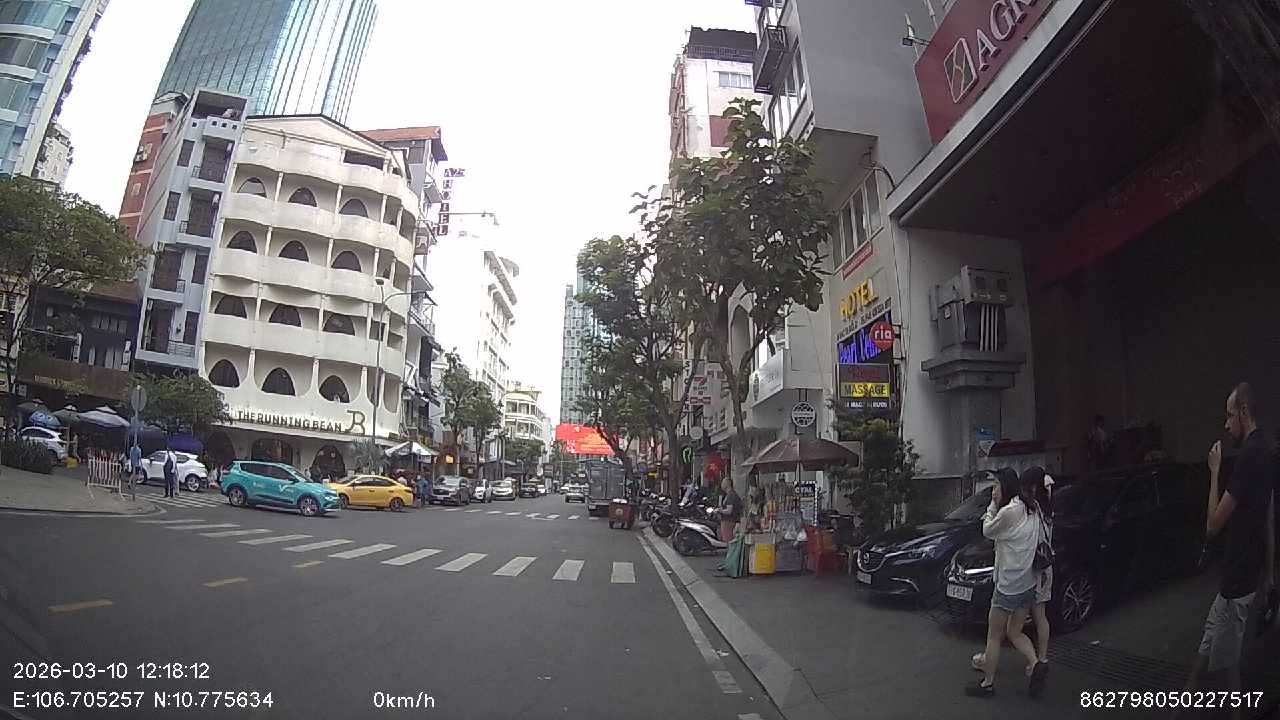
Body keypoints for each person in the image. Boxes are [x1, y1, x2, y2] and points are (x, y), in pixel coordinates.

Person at [1179, 383, 1275, 720]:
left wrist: (1215, 471)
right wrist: (1269, 573)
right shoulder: (1267, 451)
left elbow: (1212, 526)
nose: (1226, 424)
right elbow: (1268, 515)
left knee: (1227, 668)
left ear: (1244, 413)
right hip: (1242, 576)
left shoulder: (1248, 457)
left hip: (1237, 580)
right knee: (1208, 653)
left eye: (1230, 415)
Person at [966, 467, 1044, 698]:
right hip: (1027, 583)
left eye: (996, 486)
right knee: (1015, 631)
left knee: (994, 636)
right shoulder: (1031, 506)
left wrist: (992, 506)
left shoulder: (1009, 511)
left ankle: (987, 683)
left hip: (1008, 584)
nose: (993, 491)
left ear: (1006, 487)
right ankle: (1036, 663)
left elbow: (987, 530)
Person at [717, 477, 742, 542]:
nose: (721, 484)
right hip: (729, 521)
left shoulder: (731, 495)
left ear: (727, 484)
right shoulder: (730, 494)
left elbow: (729, 511)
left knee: (728, 540)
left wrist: (719, 511)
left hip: (728, 521)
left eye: (723, 482)